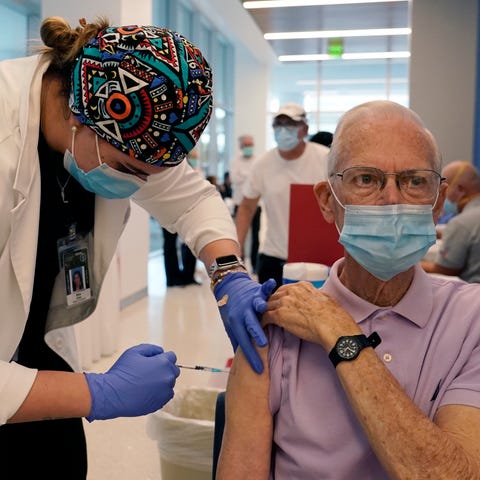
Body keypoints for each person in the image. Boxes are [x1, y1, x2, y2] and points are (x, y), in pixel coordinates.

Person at [0, 16, 273, 478]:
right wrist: (98, 393)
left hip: (37, 351)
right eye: (131, 169)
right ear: (76, 113)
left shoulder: (122, 126)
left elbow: (192, 200)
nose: (139, 185)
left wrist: (228, 271)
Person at [217, 100, 480, 479]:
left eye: (415, 181)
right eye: (366, 180)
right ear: (328, 201)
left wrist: (341, 332)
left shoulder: (470, 322)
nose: (392, 199)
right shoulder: (275, 328)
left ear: (438, 202)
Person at [235, 104, 329, 288]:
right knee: (271, 314)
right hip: (275, 257)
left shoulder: (325, 159)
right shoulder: (263, 164)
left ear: (305, 129)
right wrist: (236, 252)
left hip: (317, 261)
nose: (283, 130)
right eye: (278, 124)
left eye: (290, 124)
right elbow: (246, 207)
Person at [421, 160, 480, 282]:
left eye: (444, 189)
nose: (441, 196)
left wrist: (408, 263)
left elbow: (445, 269)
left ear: (460, 189)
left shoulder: (462, 223)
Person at [230, 134, 262, 273]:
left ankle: (255, 265)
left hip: (257, 204)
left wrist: (245, 176)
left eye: (251, 144)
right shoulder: (235, 161)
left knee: (256, 235)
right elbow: (234, 179)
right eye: (247, 145)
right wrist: (249, 176)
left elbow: (258, 181)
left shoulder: (258, 161)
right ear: (241, 146)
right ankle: (239, 264)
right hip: (239, 203)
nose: (249, 147)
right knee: (239, 235)